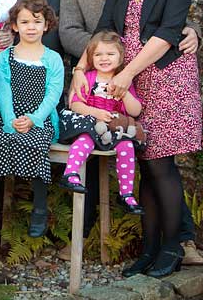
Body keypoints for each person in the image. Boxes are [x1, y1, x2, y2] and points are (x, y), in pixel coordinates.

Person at [59, 0, 203, 265]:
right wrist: (80, 69)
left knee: (161, 164)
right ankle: (150, 249)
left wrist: (125, 74)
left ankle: (172, 248)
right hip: (132, 84)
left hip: (165, 78)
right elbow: (105, 27)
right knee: (145, 162)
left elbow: (169, 31)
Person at [0, 0, 64, 239]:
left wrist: (33, 119)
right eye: (25, 22)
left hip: (39, 117)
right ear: (15, 26)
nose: (31, 27)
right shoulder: (5, 58)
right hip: (8, 115)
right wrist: (10, 121)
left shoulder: (52, 59)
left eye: (37, 21)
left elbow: (53, 95)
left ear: (46, 25)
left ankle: (39, 208)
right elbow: (3, 91)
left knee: (34, 143)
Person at [57, 32, 145, 213]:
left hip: (110, 128)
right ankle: (70, 174)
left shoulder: (124, 81)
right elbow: (74, 104)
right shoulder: (88, 77)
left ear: (120, 58)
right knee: (85, 139)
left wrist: (125, 91)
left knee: (127, 145)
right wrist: (95, 112)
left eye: (110, 54)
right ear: (91, 58)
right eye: (98, 55)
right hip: (89, 122)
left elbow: (136, 111)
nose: (104, 58)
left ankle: (126, 194)